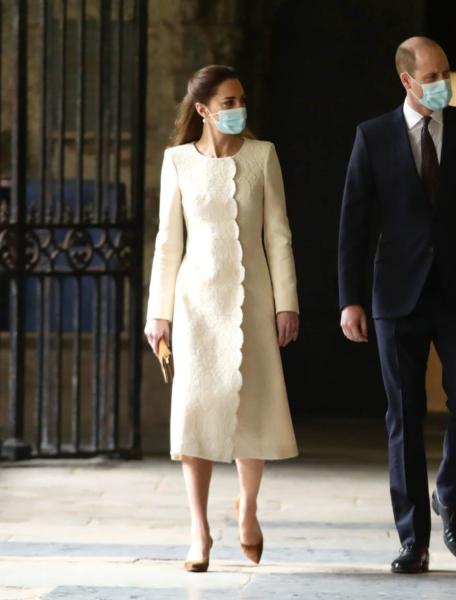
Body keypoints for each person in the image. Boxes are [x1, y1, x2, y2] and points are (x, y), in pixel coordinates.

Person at [337, 36, 456, 574]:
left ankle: (449, 492)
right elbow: (353, 225)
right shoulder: (371, 137)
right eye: (433, 73)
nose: (443, 80)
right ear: (407, 81)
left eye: (446, 71)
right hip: (395, 297)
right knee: (405, 416)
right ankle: (412, 540)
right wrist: (350, 299)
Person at [143, 64, 300, 573]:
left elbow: (278, 234)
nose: (238, 109)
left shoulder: (263, 156)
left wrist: (286, 303)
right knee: (195, 412)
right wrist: (158, 313)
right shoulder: (177, 162)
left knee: (250, 406)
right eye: (228, 102)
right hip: (194, 306)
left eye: (240, 99)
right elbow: (168, 243)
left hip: (252, 302)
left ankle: (248, 510)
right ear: (204, 111)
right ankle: (199, 531)